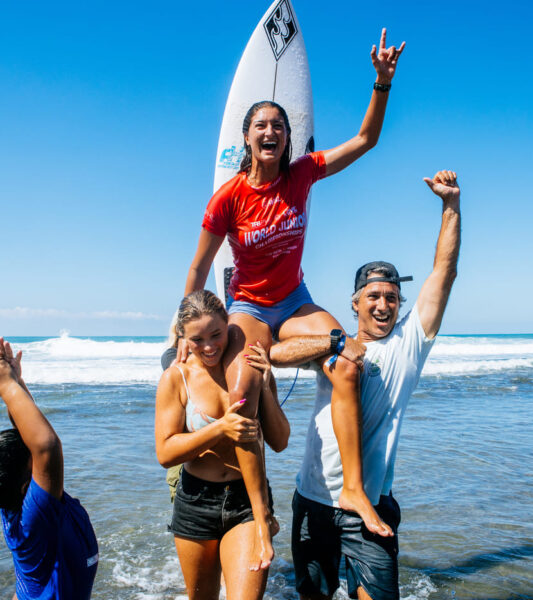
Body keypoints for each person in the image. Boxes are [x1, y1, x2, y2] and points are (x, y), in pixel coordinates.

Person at [179, 28, 406, 570]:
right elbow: (200, 265)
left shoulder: (303, 173)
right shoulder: (228, 197)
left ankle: (350, 488)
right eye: (262, 125)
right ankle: (259, 515)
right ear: (247, 137)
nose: (272, 132)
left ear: (289, 138)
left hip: (296, 298)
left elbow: (366, 141)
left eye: (280, 126)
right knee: (244, 389)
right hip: (250, 306)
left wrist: (381, 83)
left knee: (350, 360)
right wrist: (180, 330)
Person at [269, 171, 461, 599]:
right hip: (314, 499)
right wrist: (335, 341)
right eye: (373, 296)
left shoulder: (408, 344)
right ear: (355, 302)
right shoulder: (334, 343)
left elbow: (443, 273)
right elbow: (275, 355)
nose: (382, 304)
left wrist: (450, 206)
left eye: (391, 297)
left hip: (371, 507)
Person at [155, 290, 290, 600]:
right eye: (197, 339)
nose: (209, 346)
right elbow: (165, 452)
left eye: (216, 334)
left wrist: (266, 384)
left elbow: (280, 441)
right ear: (182, 338)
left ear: (228, 324)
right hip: (195, 501)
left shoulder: (248, 368)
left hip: (246, 500)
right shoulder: (177, 378)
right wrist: (220, 429)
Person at [0, 338, 98, 600]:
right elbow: (46, 447)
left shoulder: (19, 498)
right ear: (25, 488)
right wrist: (6, 385)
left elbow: (32, 435)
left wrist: (17, 382)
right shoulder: (32, 521)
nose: (42, 463)